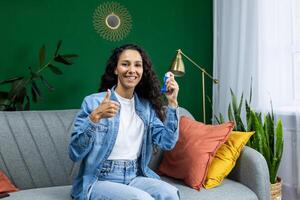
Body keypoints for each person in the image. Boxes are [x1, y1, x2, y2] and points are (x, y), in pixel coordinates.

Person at [69, 44, 180, 200]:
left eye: (137, 65)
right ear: (116, 69)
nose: (132, 70)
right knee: (142, 199)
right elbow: (75, 153)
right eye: (125, 64)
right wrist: (94, 118)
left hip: (134, 176)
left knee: (170, 193)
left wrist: (172, 103)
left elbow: (167, 143)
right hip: (98, 180)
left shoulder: (146, 107)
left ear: (143, 71)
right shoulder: (93, 102)